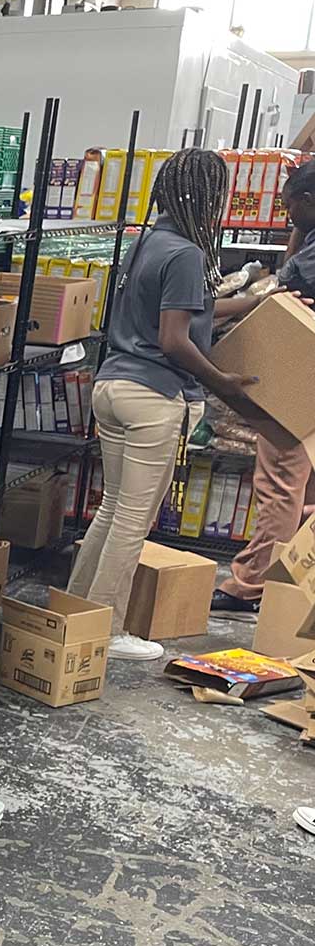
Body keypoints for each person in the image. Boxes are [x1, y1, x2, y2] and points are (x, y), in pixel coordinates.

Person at [67, 148, 287, 661]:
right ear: (209, 197)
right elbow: (174, 338)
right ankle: (105, 629)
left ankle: (77, 612)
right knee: (132, 520)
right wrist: (222, 383)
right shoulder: (187, 252)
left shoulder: (149, 240)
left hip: (113, 388)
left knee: (112, 510)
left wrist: (257, 303)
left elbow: (194, 308)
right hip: (153, 397)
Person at [212, 160, 315, 615]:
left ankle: (250, 585)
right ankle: (295, 578)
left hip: (298, 376)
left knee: (279, 481)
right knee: (305, 489)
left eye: (291, 206)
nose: (287, 215)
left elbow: (288, 282)